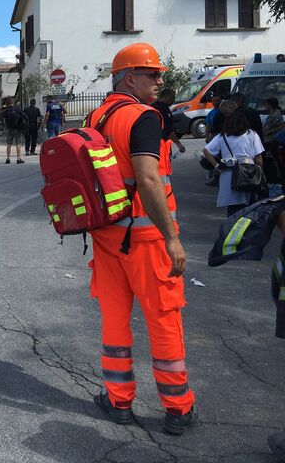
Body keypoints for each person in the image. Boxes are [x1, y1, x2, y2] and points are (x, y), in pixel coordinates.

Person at [88, 43, 197, 435]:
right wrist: (172, 238)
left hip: (106, 237)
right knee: (163, 319)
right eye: (153, 74)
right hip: (148, 239)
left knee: (115, 320)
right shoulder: (144, 118)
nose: (159, 80)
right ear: (129, 78)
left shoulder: (97, 116)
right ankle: (177, 408)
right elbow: (149, 179)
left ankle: (118, 402)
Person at [203, 111, 265, 217]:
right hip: (248, 173)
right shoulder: (252, 134)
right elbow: (259, 159)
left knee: (233, 209)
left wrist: (216, 166)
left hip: (229, 175)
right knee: (249, 207)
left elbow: (206, 151)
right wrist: (260, 173)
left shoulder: (222, 136)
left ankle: (234, 232)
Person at [151, 88, 186, 155]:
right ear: (166, 97)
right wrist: (179, 144)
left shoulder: (151, 106)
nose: (173, 101)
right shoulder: (164, 110)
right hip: (162, 144)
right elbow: (168, 130)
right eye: (172, 98)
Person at [0, 99, 26, 164]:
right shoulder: (17, 109)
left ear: (8, 104)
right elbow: (24, 116)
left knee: (9, 144)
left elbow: (0, 116)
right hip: (17, 129)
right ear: (13, 103)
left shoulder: (6, 110)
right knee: (18, 144)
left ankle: (8, 159)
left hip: (9, 129)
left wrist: (5, 124)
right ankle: (18, 159)